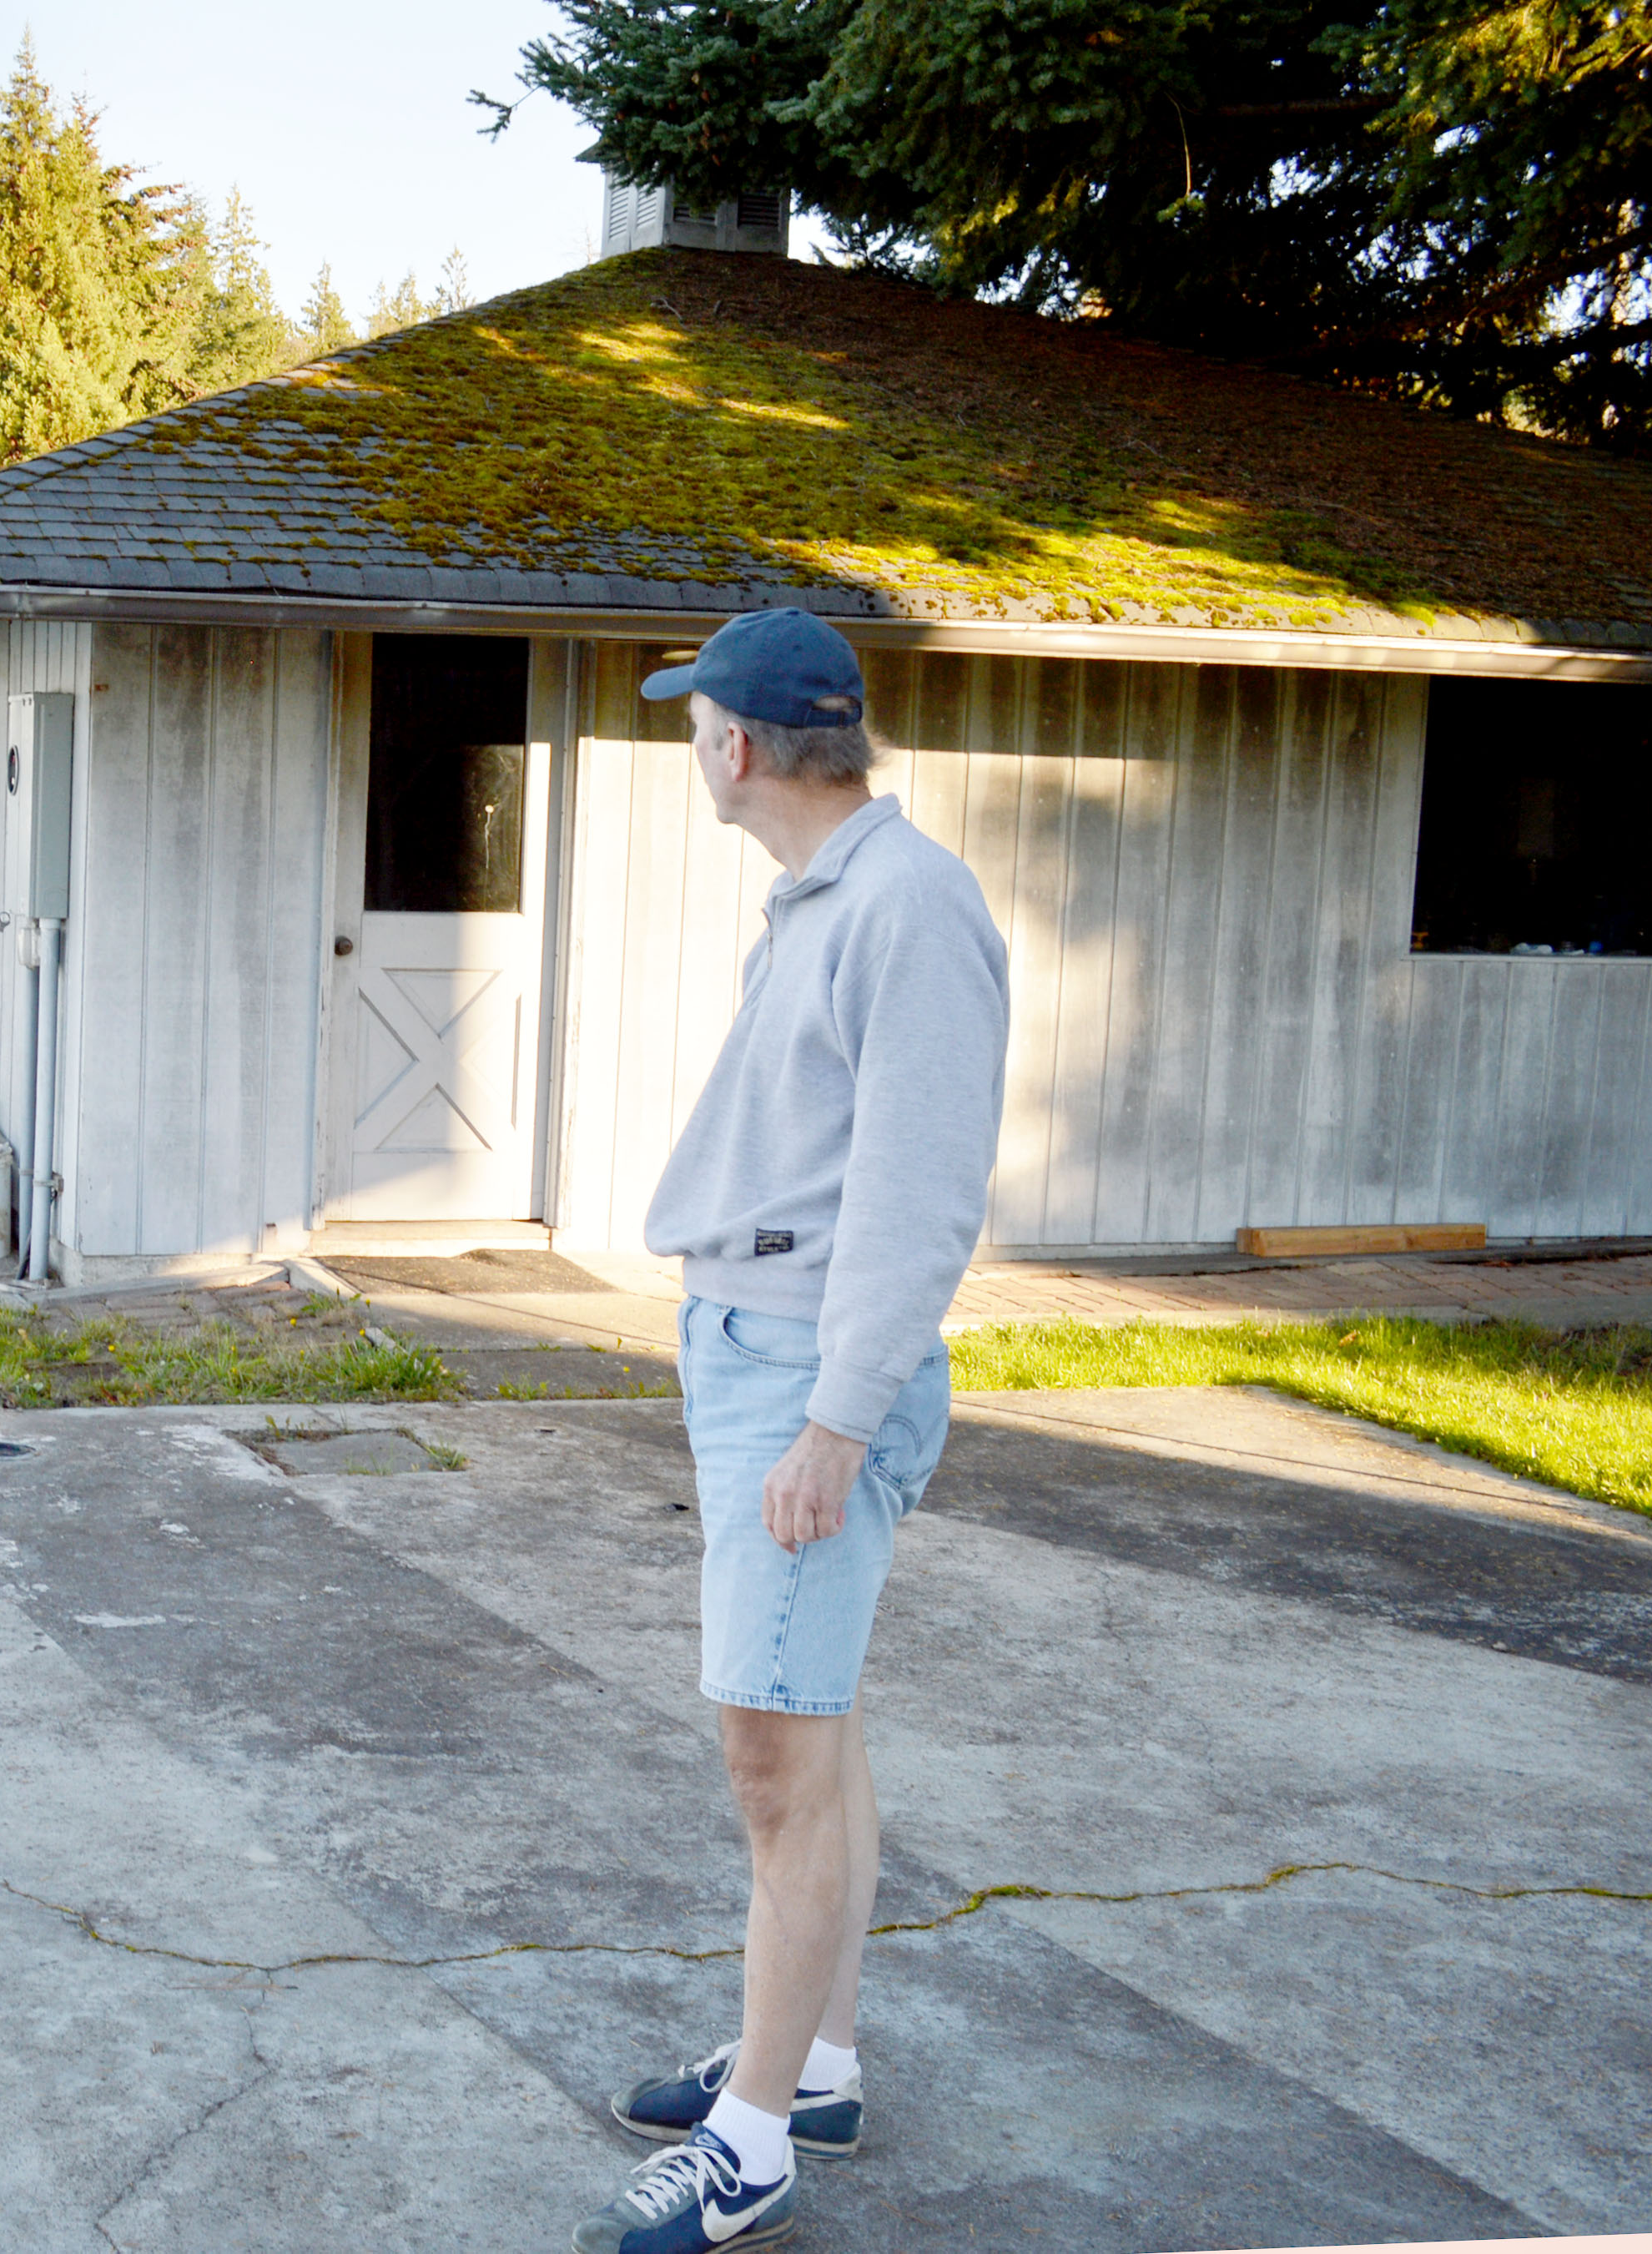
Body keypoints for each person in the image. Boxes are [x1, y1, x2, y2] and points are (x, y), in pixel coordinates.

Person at [566, 608, 1010, 2254]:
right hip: (756, 1351)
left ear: (738, 746)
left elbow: (916, 1197)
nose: (694, 747)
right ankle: (812, 2061)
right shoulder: (829, 901)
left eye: (697, 724)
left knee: (773, 1757)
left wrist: (830, 1427)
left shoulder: (909, 908)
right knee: (816, 1723)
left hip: (809, 1379)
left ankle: (754, 2146)